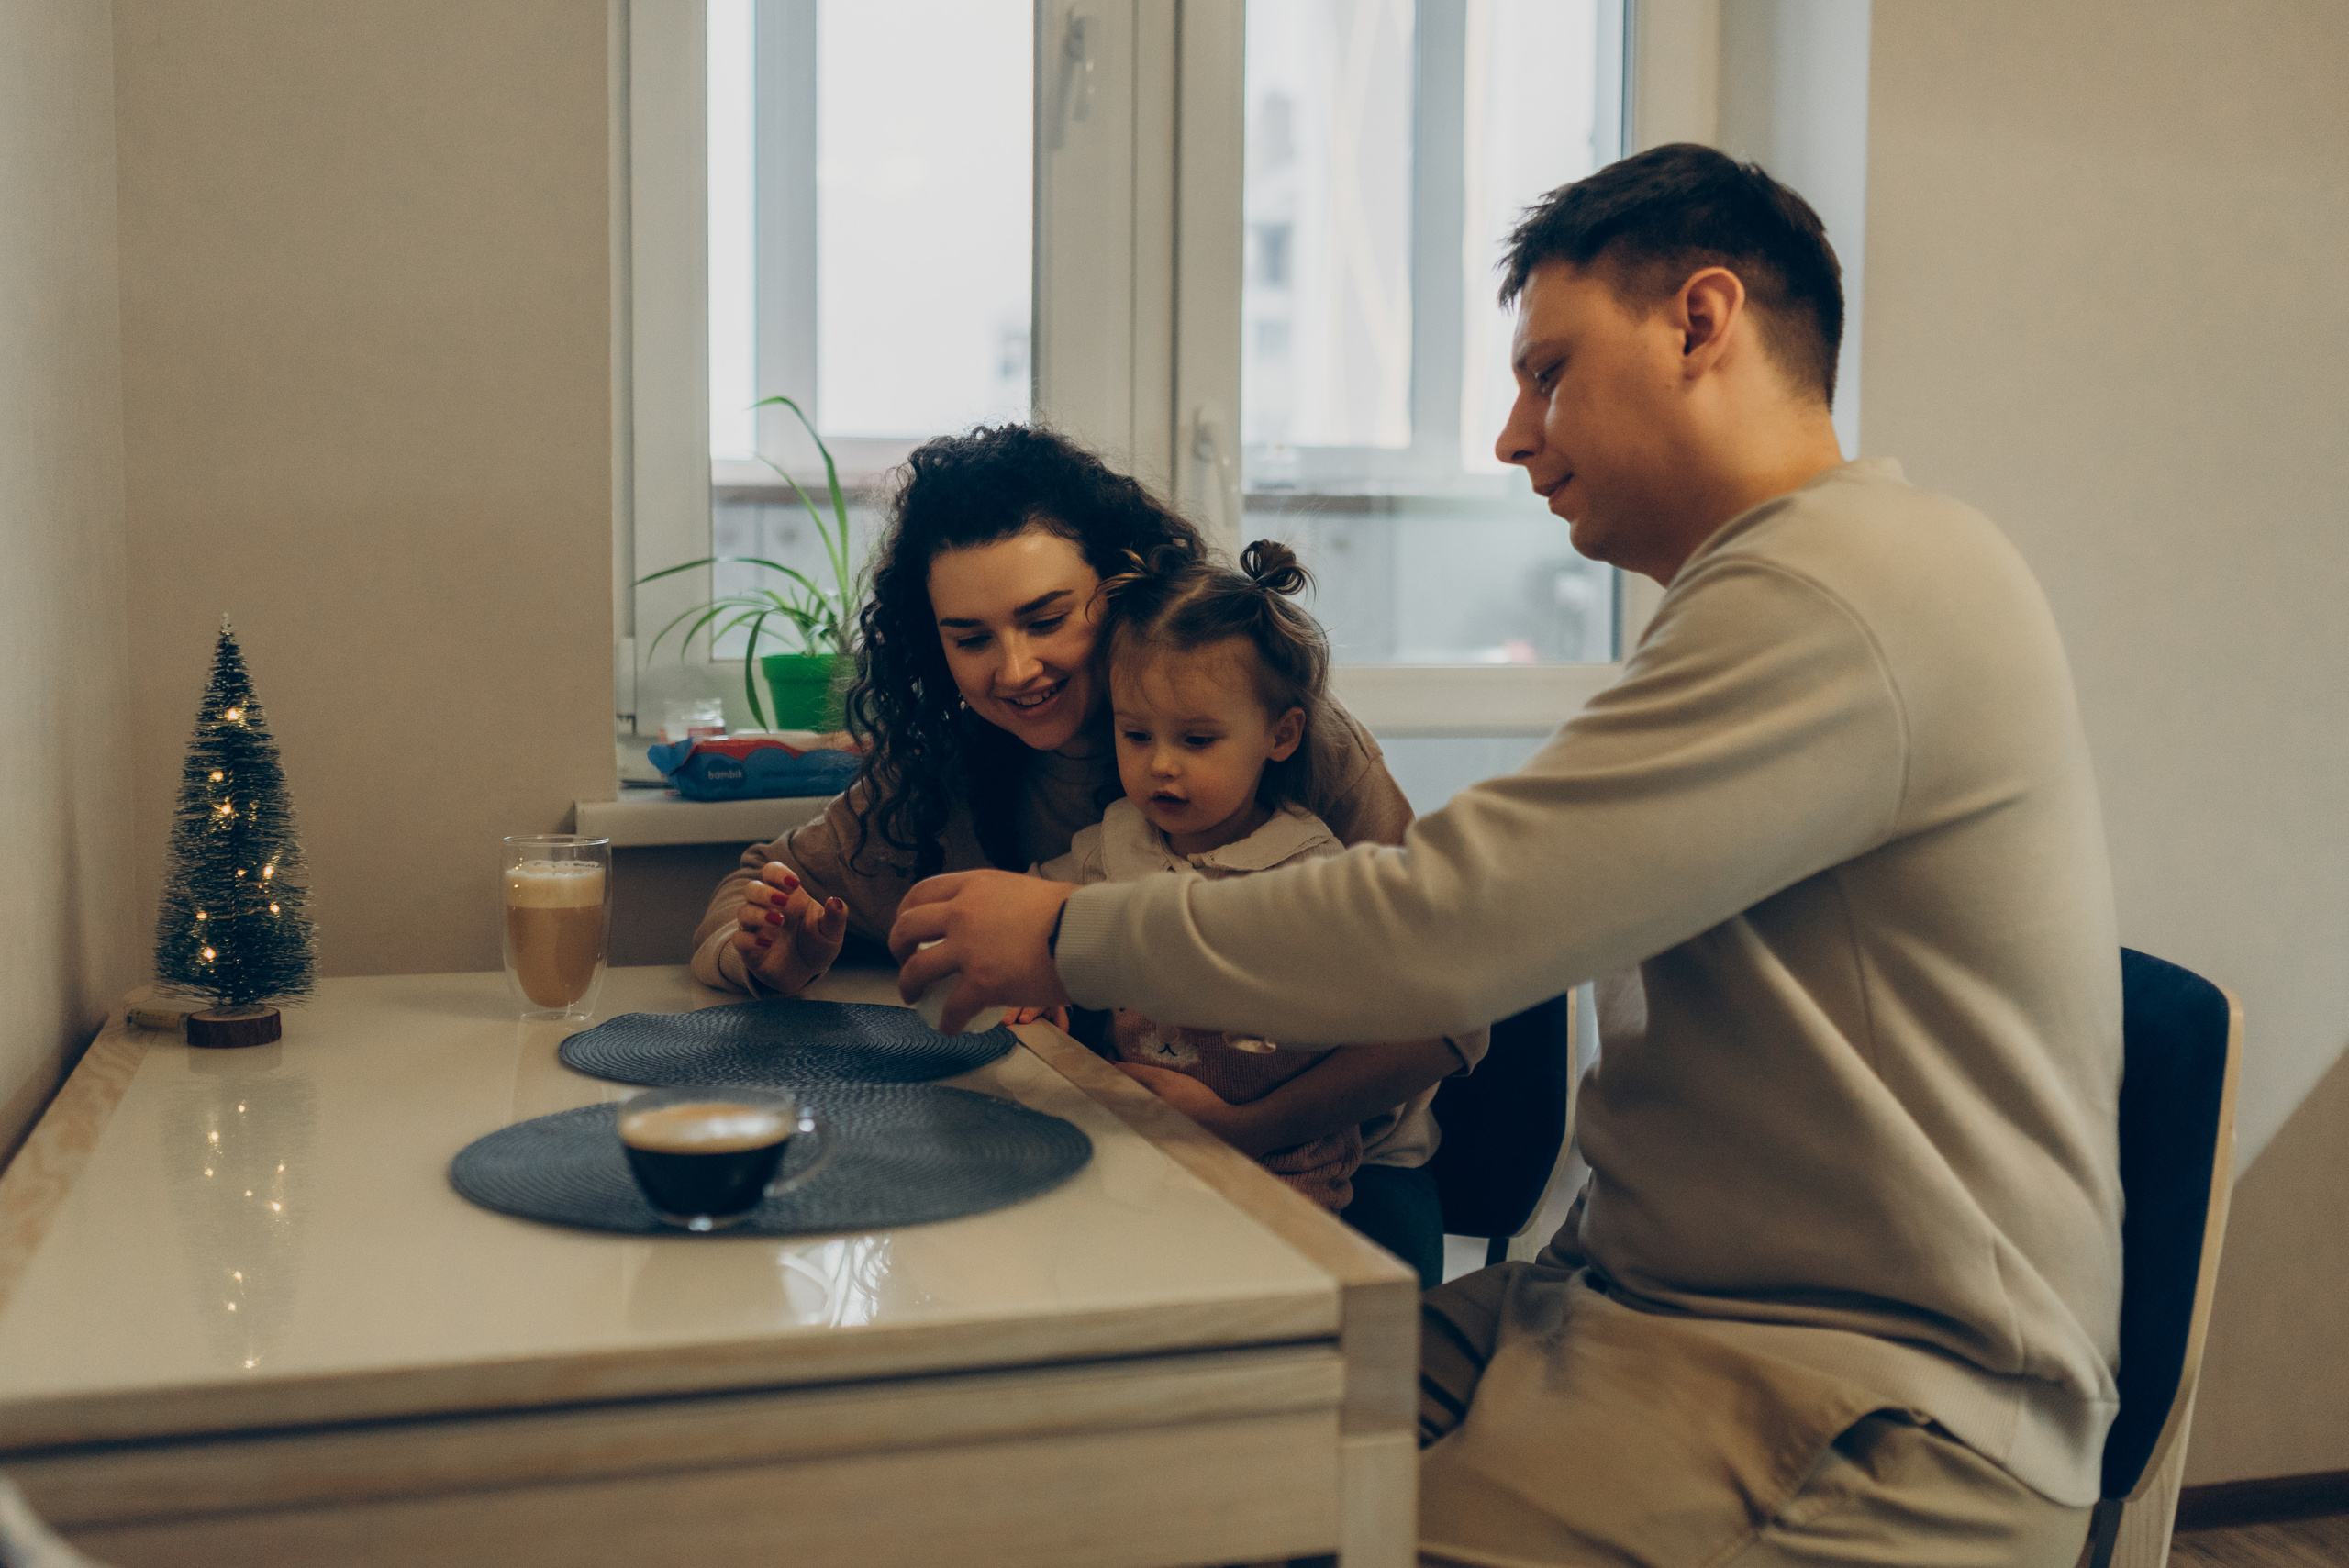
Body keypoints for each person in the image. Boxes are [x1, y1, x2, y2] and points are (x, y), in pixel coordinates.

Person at [888, 143, 2120, 1566]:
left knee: (1215, 1518)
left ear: (1700, 324)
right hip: (1619, 1312)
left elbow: (1451, 925)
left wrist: (1059, 934)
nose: (1512, 436)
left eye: (1547, 373)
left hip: (1869, 1401)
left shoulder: (1846, 593)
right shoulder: (1768, 597)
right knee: (1136, 1458)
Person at [689, 424, 1473, 1280]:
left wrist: (1246, 1126)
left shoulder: (1289, 739)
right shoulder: (937, 779)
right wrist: (774, 957)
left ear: (1124, 586)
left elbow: (1453, 1012)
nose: (1016, 668)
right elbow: (756, 887)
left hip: (1338, 1176)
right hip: (1115, 1169)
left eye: (1046, 618)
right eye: (971, 637)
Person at [1014, 537, 1475, 1221]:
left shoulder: (1319, 874)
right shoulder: (1111, 845)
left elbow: (1428, 1016)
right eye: (1136, 735)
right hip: (1135, 1157)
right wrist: (1033, 973)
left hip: (1289, 1168)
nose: (1161, 766)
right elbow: (1029, 914)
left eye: (1196, 740)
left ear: (1280, 735)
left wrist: (1245, 1122)